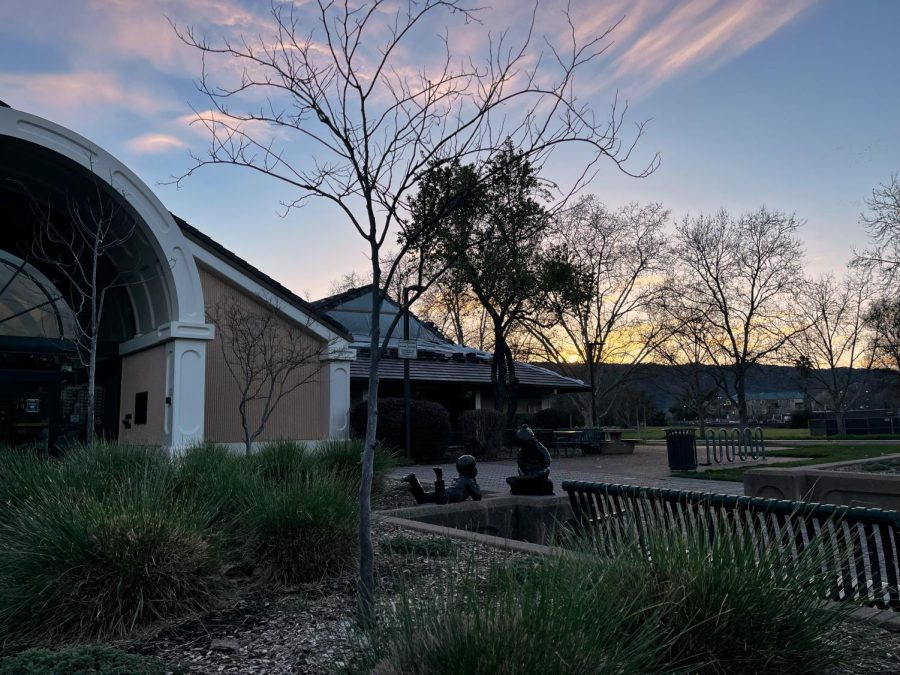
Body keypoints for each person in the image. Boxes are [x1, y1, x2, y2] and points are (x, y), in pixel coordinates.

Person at [401, 454, 483, 504]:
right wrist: (473, 484)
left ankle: (413, 481)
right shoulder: (468, 481)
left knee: (422, 498)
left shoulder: (459, 478)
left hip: (445, 491)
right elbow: (478, 497)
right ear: (471, 470)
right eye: (474, 467)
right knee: (441, 500)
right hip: (448, 496)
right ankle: (439, 478)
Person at [506, 424, 554, 495]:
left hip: (539, 475)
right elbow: (520, 468)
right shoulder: (521, 453)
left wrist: (543, 472)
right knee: (513, 481)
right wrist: (524, 475)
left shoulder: (541, 449)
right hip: (527, 476)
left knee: (548, 483)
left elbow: (547, 466)